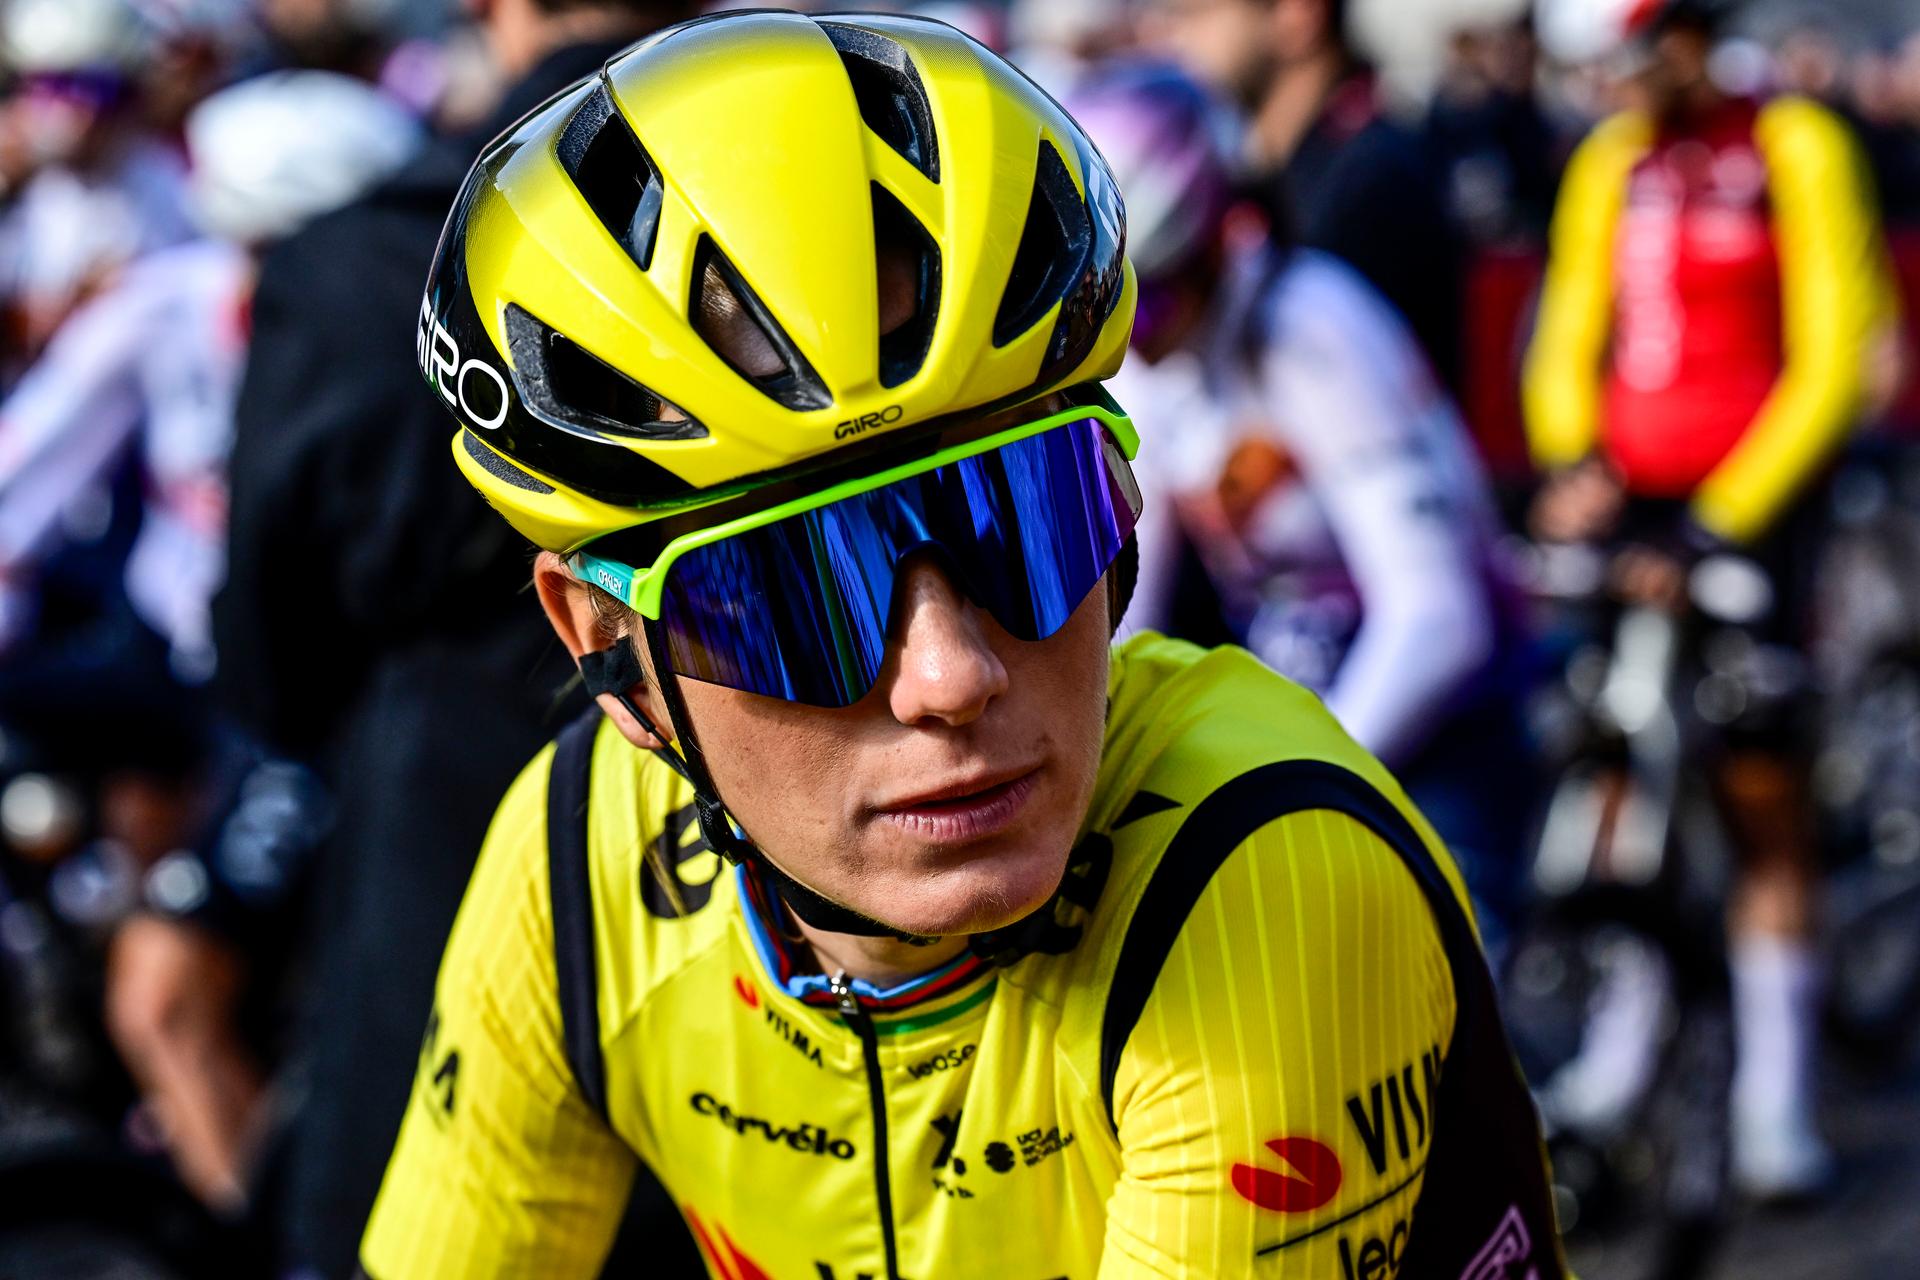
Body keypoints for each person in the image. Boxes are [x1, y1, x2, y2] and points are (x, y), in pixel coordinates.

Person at [359, 13, 1566, 1279]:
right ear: (607, 647)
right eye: (792, 601)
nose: (952, 675)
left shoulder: (1260, 870)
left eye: (1028, 532)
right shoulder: (571, 862)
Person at [212, 1, 700, 1273]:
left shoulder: (358, 265)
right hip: (775, 845)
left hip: (440, 837)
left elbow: (268, 654)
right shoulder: (811, 229)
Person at [1526, 0, 1897, 1200]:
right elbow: (1570, 325)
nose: (1614, 90)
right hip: (1638, 513)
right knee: (1623, 770)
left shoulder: (1795, 142)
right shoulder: (1609, 159)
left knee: (1759, 794)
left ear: (1686, 35)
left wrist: (1724, 516)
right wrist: (1571, 460)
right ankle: (1622, 1054)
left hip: (1754, 516)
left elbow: (1837, 352)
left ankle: (1774, 1100)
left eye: (1630, 62)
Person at [1078, 62, 1531, 957]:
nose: (1141, 340)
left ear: (1211, 236)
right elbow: (1133, 598)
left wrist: (1282, 783)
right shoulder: (1165, 347)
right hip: (1303, 700)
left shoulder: (1315, 330)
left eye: (1156, 297)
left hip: (1443, 721)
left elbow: (1439, 620)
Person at [1139, 0, 1463, 386]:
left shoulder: (1373, 177)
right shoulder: (1270, 168)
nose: (1174, 40)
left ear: (1298, 15)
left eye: (1195, 14)